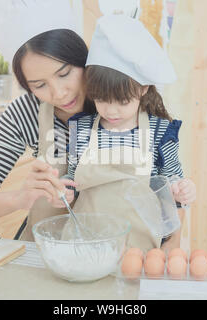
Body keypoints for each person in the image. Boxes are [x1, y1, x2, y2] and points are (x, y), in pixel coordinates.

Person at [0, 0, 95, 241]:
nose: (59, 93)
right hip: (49, 249)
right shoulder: (24, 113)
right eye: (40, 85)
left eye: (64, 74)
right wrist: (19, 198)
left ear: (82, 59)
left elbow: (166, 179)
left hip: (118, 244)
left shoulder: (119, 97)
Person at [63, 15, 196, 250]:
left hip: (141, 249)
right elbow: (72, 180)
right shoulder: (81, 129)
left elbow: (173, 181)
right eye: (101, 99)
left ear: (144, 88)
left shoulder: (160, 132)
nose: (111, 110)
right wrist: (62, 188)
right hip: (86, 246)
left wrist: (181, 189)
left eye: (122, 101)